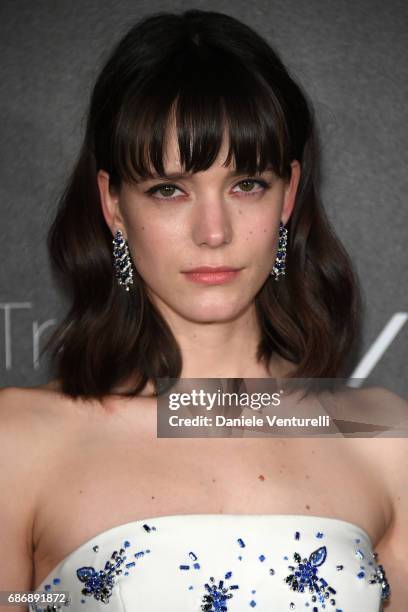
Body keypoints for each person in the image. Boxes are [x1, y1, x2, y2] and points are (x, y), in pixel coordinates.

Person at [0, 9, 406, 611]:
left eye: (247, 184)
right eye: (169, 189)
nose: (213, 232)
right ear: (113, 205)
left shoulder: (384, 438)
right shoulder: (19, 444)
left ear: (288, 195)